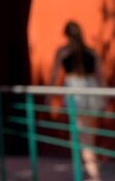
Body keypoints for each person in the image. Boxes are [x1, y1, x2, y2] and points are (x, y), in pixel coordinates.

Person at [51, 20, 106, 181]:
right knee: (87, 136)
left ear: (67, 35)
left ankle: (93, 175)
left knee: (82, 138)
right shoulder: (92, 52)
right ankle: (89, 172)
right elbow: (100, 77)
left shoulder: (63, 52)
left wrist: (49, 97)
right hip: (93, 94)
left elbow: (54, 77)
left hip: (76, 95)